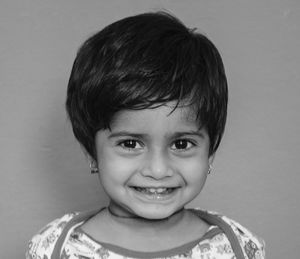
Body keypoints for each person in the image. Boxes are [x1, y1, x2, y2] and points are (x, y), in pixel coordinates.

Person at [26, 12, 265, 259]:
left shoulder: (238, 247)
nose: (158, 170)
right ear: (91, 153)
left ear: (210, 152)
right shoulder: (55, 247)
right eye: (130, 143)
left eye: (181, 144)